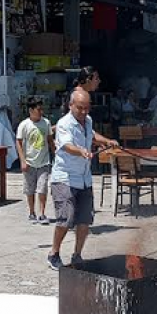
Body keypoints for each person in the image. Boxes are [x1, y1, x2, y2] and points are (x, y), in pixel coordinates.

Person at [47, 90, 119, 270]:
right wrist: (81, 151)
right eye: (80, 108)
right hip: (65, 177)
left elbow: (93, 136)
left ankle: (77, 254)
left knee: (85, 219)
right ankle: (54, 253)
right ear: (71, 106)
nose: (84, 112)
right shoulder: (64, 124)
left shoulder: (88, 121)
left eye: (87, 108)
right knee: (66, 218)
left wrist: (107, 141)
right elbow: (67, 145)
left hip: (84, 178)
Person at [16, 98, 55, 225]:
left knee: (42, 188)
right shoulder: (24, 125)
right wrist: (22, 160)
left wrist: (55, 153)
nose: (41, 112)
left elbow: (50, 140)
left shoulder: (46, 123)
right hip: (29, 162)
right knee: (30, 189)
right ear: (31, 110)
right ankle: (32, 212)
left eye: (41, 109)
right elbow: (19, 142)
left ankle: (42, 213)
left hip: (44, 161)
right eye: (38, 109)